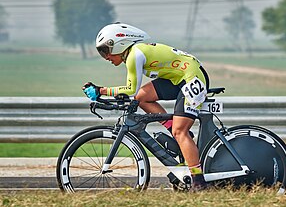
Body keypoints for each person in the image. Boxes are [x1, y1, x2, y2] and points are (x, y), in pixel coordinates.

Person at [83, 23, 210, 191]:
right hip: (177, 78)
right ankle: (175, 133)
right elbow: (136, 93)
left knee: (181, 132)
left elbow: (130, 89)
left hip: (191, 77)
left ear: (118, 45)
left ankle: (198, 182)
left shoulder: (134, 55)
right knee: (142, 98)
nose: (105, 57)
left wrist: (101, 90)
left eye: (105, 51)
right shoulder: (134, 53)